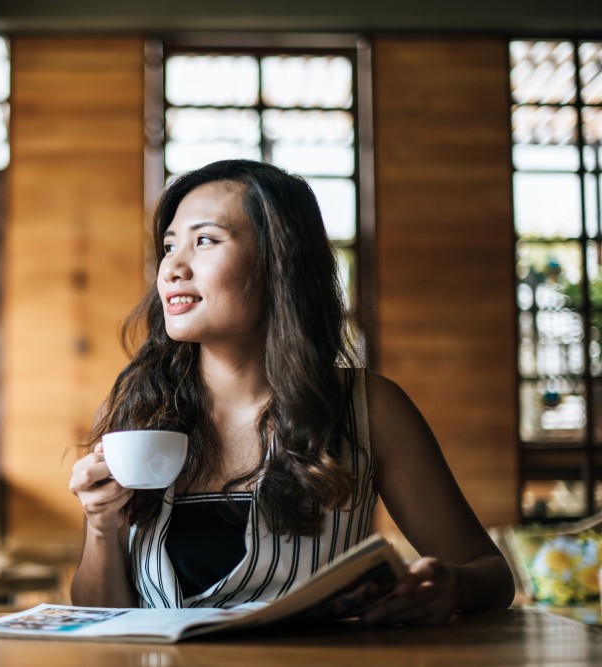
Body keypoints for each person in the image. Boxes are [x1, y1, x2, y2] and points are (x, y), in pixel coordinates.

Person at [68, 159, 514, 625]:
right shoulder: (141, 412)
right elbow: (101, 619)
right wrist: (102, 526)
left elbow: (490, 574)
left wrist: (450, 587)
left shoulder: (369, 407)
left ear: (277, 261)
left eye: (205, 241)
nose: (173, 268)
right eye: (168, 245)